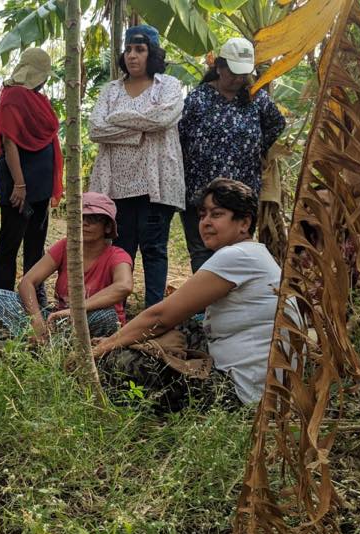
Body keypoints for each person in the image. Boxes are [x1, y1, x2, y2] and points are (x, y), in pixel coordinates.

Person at [92, 178, 290, 407]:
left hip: (236, 393)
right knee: (183, 327)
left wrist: (103, 347)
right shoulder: (256, 254)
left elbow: (160, 317)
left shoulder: (237, 256)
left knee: (117, 362)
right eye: (202, 215)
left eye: (216, 215)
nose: (205, 222)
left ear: (244, 222)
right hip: (261, 384)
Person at [88, 24, 186, 308]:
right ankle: (115, 311)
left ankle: (154, 315)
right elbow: (96, 128)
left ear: (152, 54)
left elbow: (162, 119)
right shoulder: (111, 90)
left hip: (155, 185)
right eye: (129, 49)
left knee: (154, 250)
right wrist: (138, 131)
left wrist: (117, 118)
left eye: (140, 50)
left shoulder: (168, 86)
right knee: (121, 250)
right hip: (116, 186)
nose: (132, 56)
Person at [178, 37, 286, 272]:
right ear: (219, 67)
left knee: (237, 250)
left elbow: (277, 123)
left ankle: (232, 304)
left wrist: (255, 148)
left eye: (243, 74)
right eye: (233, 73)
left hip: (241, 192)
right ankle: (204, 306)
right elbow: (179, 136)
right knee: (202, 251)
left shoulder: (256, 98)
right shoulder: (198, 99)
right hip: (200, 189)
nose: (238, 79)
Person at [0, 192, 133, 342]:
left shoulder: (117, 255)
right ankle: (46, 340)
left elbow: (124, 286)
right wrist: (36, 319)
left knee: (106, 316)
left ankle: (45, 344)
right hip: (59, 320)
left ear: (108, 227)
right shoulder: (65, 246)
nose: (85, 223)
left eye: (94, 219)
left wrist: (75, 310)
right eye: (80, 217)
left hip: (89, 318)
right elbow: (27, 282)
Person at [0, 48, 63, 294]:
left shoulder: (38, 98)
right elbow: (10, 142)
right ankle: (2, 297)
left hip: (40, 183)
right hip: (19, 180)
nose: (45, 80)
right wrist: (19, 184)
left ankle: (33, 294)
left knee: (36, 242)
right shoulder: (14, 97)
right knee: (10, 241)